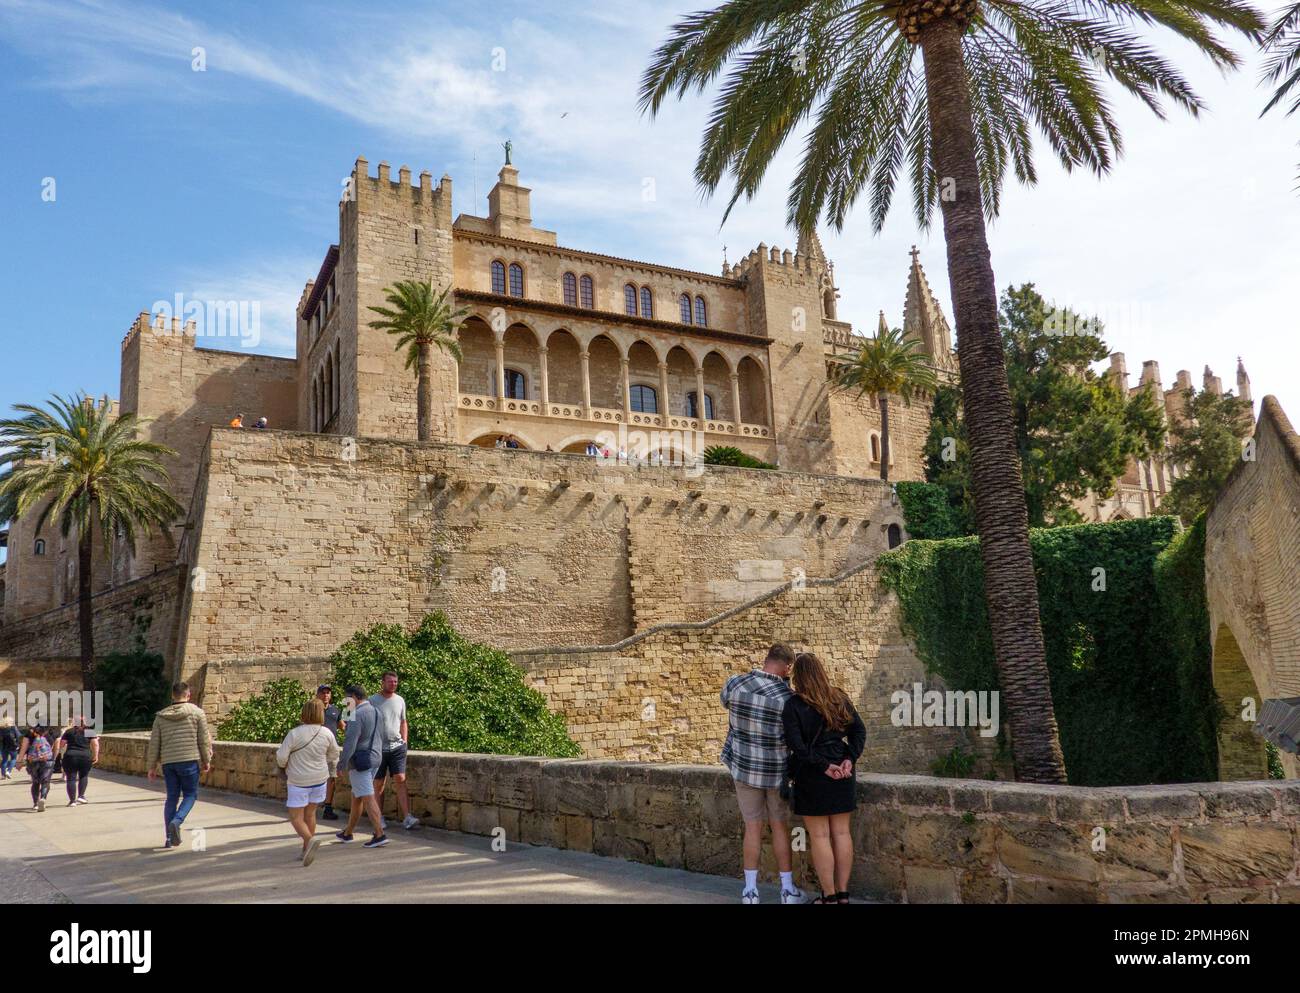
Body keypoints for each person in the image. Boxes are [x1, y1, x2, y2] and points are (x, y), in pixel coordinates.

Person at [720, 643, 805, 905]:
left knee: (752, 828)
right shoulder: (788, 698)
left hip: (744, 768)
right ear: (788, 667)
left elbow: (725, 703)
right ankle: (788, 891)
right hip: (776, 772)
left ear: (767, 659)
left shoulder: (735, 684)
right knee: (780, 827)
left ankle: (750, 892)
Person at [782, 652, 866, 904]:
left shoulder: (794, 705)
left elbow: (797, 745)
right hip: (843, 771)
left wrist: (824, 766)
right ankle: (843, 894)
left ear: (798, 676)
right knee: (841, 833)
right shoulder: (838, 697)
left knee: (819, 837)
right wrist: (849, 758)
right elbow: (859, 731)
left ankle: (828, 897)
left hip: (813, 774)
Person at [146, 682, 213, 850]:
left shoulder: (161, 716)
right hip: (189, 760)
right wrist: (206, 760)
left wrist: (151, 766)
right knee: (190, 795)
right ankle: (177, 821)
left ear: (172, 696)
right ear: (188, 695)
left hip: (169, 763)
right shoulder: (197, 713)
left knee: (171, 798)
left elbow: (154, 743)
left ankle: (169, 838)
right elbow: (203, 740)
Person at [276, 698, 340, 867]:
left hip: (298, 779)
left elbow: (281, 757)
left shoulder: (295, 733)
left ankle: (309, 841)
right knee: (310, 814)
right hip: (319, 779)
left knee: (295, 817)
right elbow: (334, 755)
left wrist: (287, 765)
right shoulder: (327, 733)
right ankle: (306, 850)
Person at [335, 685, 387, 848]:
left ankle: (379, 834)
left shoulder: (357, 714)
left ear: (355, 697)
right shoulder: (377, 711)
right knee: (357, 796)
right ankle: (348, 832)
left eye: (348, 699)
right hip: (376, 757)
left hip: (361, 761)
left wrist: (341, 763)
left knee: (367, 796)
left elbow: (350, 741)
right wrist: (347, 710)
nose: (346, 702)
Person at [370, 671, 419, 830]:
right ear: (382, 682)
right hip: (378, 747)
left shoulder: (400, 700)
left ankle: (407, 817)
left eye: (395, 682)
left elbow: (403, 721)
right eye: (390, 681)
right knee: (378, 783)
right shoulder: (372, 700)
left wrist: (404, 741)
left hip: (397, 746)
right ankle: (379, 817)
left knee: (400, 778)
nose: (393, 684)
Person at [317, 685, 345, 820]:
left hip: (332, 749)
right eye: (323, 693)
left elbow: (343, 726)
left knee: (332, 776)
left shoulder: (335, 710)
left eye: (328, 693)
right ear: (318, 695)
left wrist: (350, 707)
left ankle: (328, 807)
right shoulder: (313, 709)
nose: (326, 695)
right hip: (316, 748)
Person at [57, 716, 98, 805]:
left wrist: (61, 753)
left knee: (71, 779)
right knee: (83, 776)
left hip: (70, 756)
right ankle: (81, 796)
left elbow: (61, 744)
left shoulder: (69, 731)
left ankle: (72, 801)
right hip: (85, 756)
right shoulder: (89, 732)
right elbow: (95, 744)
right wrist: (95, 756)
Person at [17, 724, 54, 811]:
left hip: (33, 761)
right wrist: (54, 757)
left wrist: (19, 761)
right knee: (46, 781)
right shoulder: (49, 733)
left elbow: (24, 747)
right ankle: (43, 798)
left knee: (35, 782)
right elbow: (55, 745)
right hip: (46, 760)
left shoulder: (29, 734)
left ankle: (35, 803)